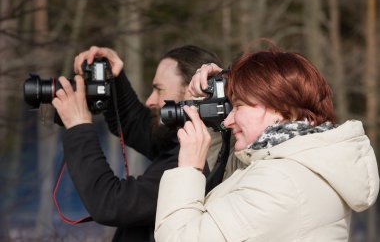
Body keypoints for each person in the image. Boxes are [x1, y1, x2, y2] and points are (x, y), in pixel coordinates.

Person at [154, 46, 380, 241]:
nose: (229, 119)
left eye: (239, 106)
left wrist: (189, 169)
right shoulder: (292, 162)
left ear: (280, 110)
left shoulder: (280, 184)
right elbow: (225, 179)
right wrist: (209, 99)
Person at [51, 45, 226, 242]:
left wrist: (78, 126)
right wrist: (112, 78)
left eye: (159, 90)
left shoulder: (194, 161)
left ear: (193, 93)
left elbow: (111, 203)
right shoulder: (191, 140)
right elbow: (137, 126)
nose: (150, 100)